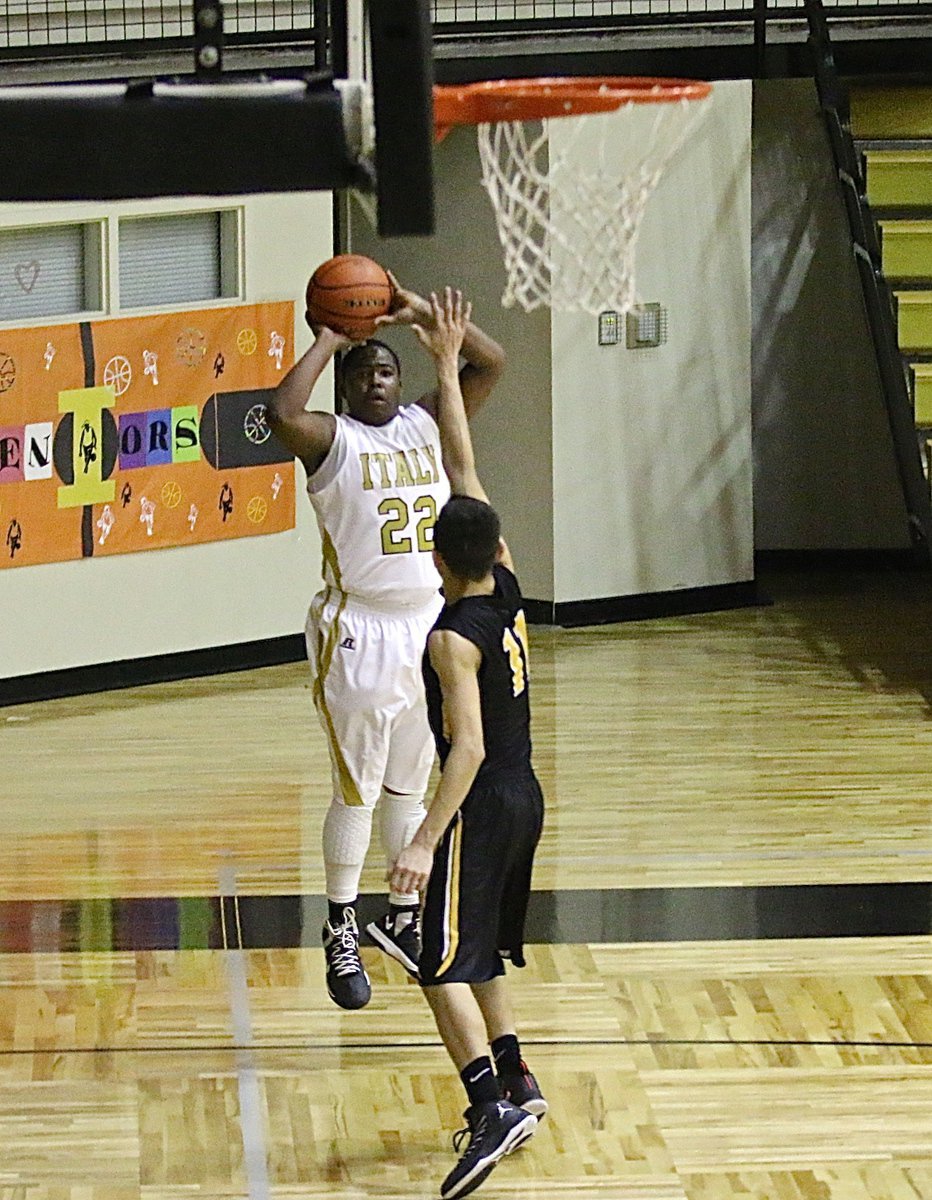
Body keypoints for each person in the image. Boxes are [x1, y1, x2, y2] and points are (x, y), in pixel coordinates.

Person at [266, 272, 504, 1011]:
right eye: (363, 371)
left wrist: (421, 314)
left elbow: (489, 363)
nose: (376, 376)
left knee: (410, 779)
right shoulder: (329, 439)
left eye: (385, 366)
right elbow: (279, 411)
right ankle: (338, 923)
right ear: (346, 388)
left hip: (427, 622)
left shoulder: (428, 424)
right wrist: (331, 336)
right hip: (358, 629)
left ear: (402, 378)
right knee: (358, 788)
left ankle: (402, 914)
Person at [390, 289, 546, 1200]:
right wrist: (445, 364)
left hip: (485, 798)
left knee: (435, 958)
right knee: (477, 946)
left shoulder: (453, 638)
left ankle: (490, 1107)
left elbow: (468, 749)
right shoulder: (509, 580)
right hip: (529, 795)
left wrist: (419, 842)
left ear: (433, 558)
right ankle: (519, 1077)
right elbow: (463, 462)